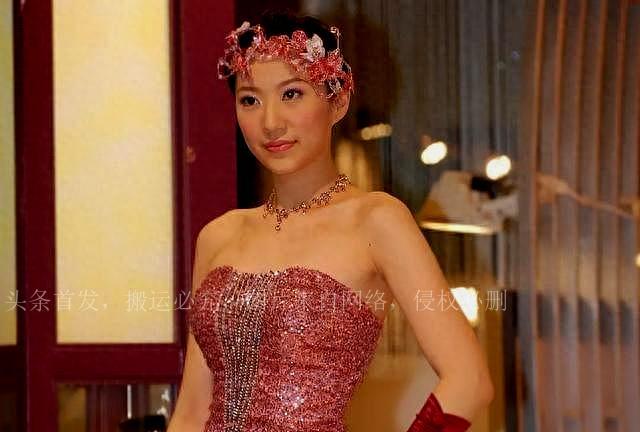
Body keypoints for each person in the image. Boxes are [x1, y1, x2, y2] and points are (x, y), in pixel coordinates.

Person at [167, 10, 493, 432]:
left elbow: (470, 382)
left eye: (292, 94)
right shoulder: (219, 235)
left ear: (337, 102)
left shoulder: (376, 221)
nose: (270, 122)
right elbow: (192, 412)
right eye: (250, 100)